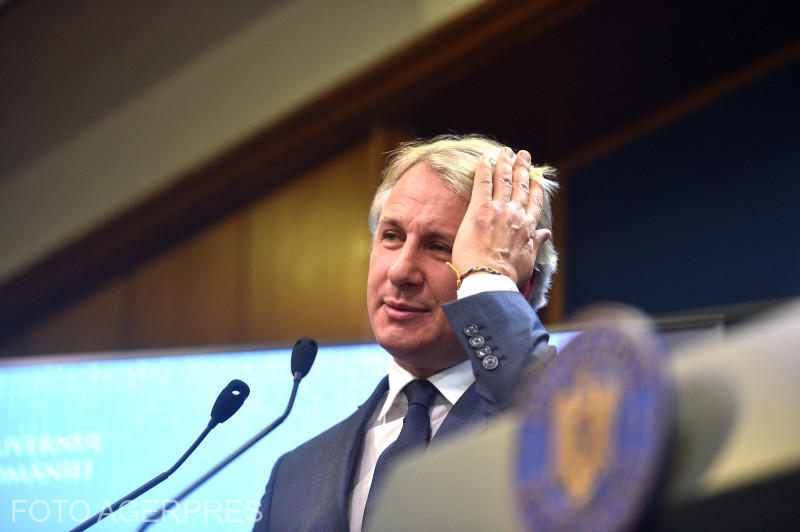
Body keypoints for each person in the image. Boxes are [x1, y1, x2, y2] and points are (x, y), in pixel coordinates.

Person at [253, 134, 558, 532]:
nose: (400, 272)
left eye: (440, 247)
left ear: (517, 284)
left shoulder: (552, 426)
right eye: (392, 236)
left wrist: (488, 278)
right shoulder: (293, 477)